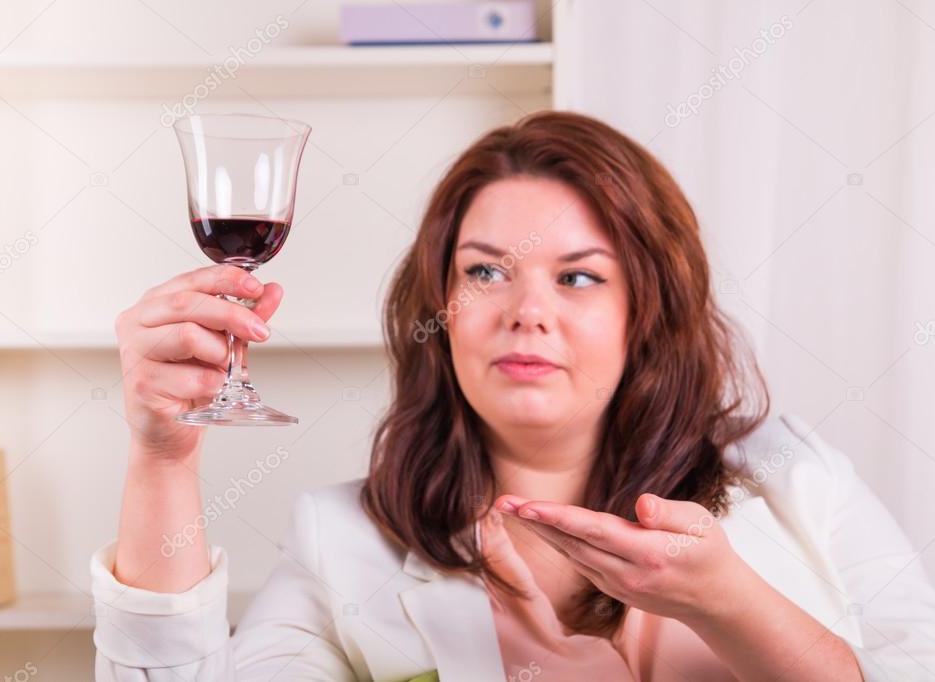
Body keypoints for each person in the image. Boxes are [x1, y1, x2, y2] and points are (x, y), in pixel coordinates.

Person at [91, 110, 935, 681]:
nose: (527, 313)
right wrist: (161, 458)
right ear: (439, 310)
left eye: (578, 277)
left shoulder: (796, 478)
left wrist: (728, 602)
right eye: (485, 271)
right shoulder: (343, 538)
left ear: (647, 312)